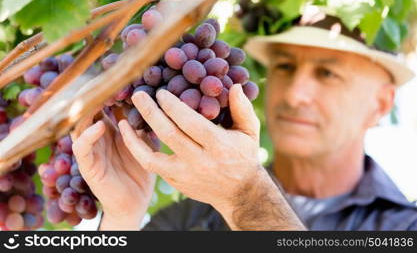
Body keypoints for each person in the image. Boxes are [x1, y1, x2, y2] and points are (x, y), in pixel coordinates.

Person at [72, 15, 417, 230]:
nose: (295, 94)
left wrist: (247, 197)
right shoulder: (184, 222)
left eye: (328, 73)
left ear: (381, 104)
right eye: (284, 67)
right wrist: (123, 218)